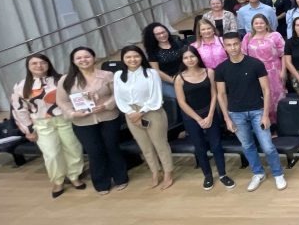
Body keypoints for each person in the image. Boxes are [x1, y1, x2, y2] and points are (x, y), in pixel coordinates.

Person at [216, 32, 285, 191]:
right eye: (229, 45)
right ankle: (258, 173)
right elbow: (221, 94)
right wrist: (227, 118)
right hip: (236, 113)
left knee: (267, 146)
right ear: (224, 47)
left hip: (257, 111)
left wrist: (265, 114)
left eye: (235, 44)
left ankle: (277, 173)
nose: (232, 48)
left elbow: (266, 90)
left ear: (240, 43)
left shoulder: (255, 64)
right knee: (247, 146)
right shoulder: (221, 69)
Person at [12, 53, 85, 198]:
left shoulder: (62, 80)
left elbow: (75, 98)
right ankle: (58, 180)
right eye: (34, 63)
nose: (39, 66)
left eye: (42, 62)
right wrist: (28, 130)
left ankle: (74, 176)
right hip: (42, 123)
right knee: (51, 153)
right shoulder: (21, 86)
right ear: (28, 66)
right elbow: (19, 109)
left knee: (73, 148)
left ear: (48, 64)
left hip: (65, 119)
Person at [57, 47, 127, 195]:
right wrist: (73, 113)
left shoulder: (107, 75)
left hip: (108, 117)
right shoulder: (66, 79)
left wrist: (106, 105)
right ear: (73, 61)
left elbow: (117, 94)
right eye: (79, 58)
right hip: (83, 122)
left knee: (112, 148)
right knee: (95, 152)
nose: (83, 60)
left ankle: (121, 178)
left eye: (87, 56)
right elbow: (62, 102)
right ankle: (102, 183)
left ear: (94, 58)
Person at [114, 46, 174, 190]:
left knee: (160, 144)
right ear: (123, 59)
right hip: (130, 113)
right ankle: (155, 172)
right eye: (128, 57)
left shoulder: (151, 73)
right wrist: (130, 112)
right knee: (145, 146)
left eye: (136, 56)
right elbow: (118, 97)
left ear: (141, 57)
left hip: (152, 110)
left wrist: (141, 112)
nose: (132, 60)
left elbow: (156, 96)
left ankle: (168, 172)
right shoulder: (118, 75)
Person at [174, 46, 234, 190]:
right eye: (186, 57)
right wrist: (199, 119)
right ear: (182, 60)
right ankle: (207, 175)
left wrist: (210, 115)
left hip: (210, 113)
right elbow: (181, 102)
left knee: (216, 145)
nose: (190, 60)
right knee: (199, 147)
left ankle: (222, 174)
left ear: (197, 57)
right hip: (191, 117)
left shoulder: (209, 72)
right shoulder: (179, 78)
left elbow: (214, 94)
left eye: (192, 56)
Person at [243, 15, 285, 124]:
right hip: (255, 72)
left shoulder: (275, 35)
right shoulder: (248, 37)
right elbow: (243, 55)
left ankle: (280, 124)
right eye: (256, 23)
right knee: (260, 96)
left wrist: (283, 71)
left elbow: (284, 54)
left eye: (261, 23)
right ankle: (265, 124)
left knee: (276, 97)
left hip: (274, 71)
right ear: (252, 25)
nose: (259, 25)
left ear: (266, 24)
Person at [142, 22, 184, 100]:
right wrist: (174, 81)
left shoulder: (177, 42)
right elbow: (157, 71)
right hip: (168, 79)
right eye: (158, 34)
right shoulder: (152, 51)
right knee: (178, 97)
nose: (162, 35)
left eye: (163, 32)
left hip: (184, 74)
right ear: (153, 36)